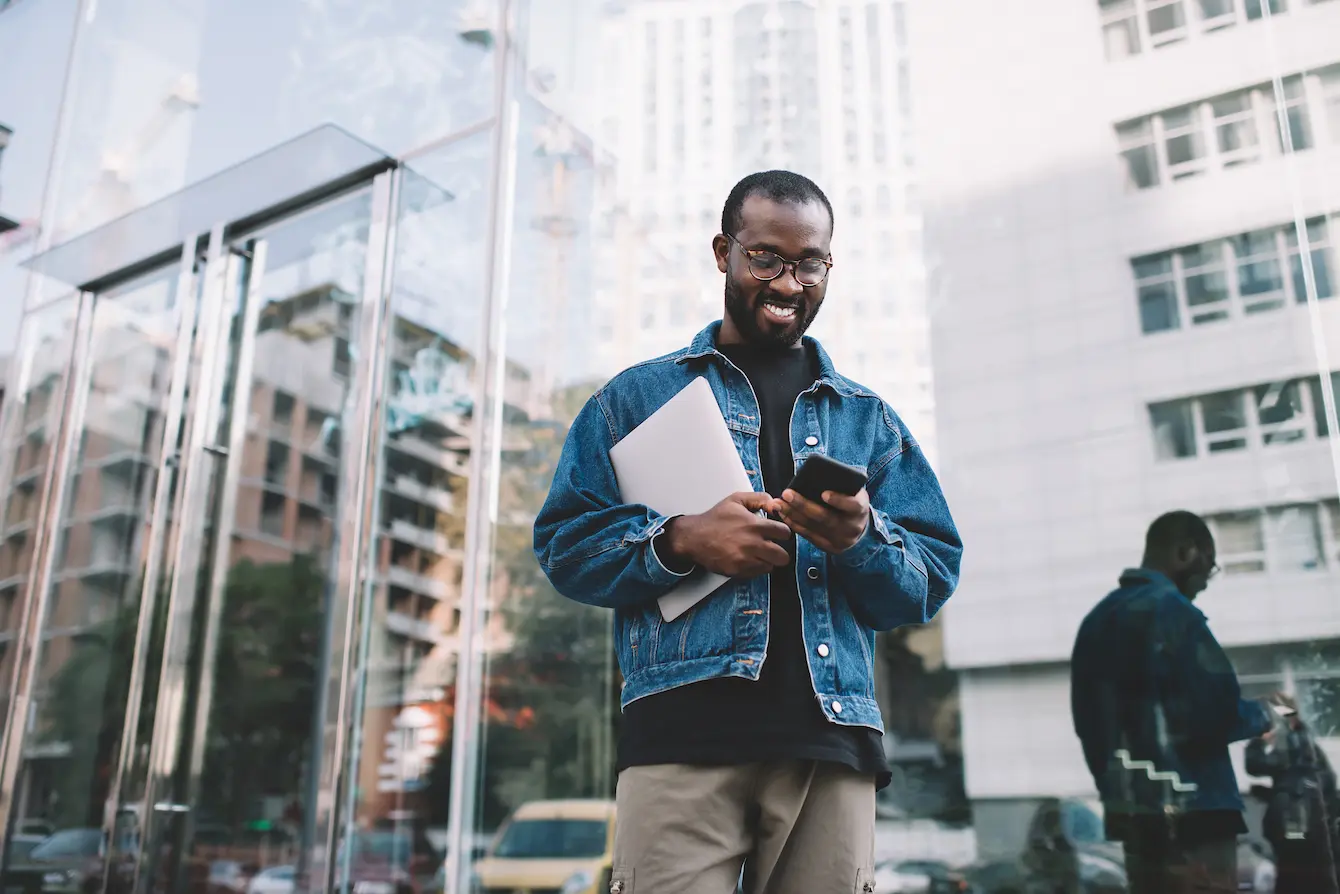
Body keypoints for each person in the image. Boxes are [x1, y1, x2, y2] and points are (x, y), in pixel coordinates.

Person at [533, 170, 962, 894]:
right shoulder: (634, 399)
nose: (789, 284)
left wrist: (861, 540)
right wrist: (679, 543)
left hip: (831, 747)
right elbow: (564, 547)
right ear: (723, 253)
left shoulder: (871, 421)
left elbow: (926, 583)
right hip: (680, 743)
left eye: (809, 263)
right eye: (766, 258)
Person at [1070, 511, 1283, 894]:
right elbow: (1215, 716)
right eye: (1209, 566)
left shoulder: (1096, 622)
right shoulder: (1176, 615)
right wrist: (1267, 712)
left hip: (1133, 813)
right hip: (1198, 814)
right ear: (1185, 552)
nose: (1205, 581)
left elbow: (1088, 724)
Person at [1246, 703, 1340, 894]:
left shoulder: (1287, 753)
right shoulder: (1315, 758)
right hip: (1319, 842)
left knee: (1291, 878)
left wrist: (1258, 742)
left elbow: (1254, 765)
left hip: (1294, 840)